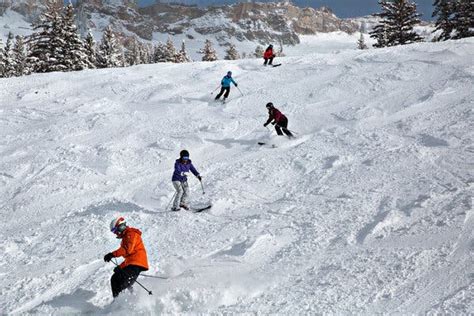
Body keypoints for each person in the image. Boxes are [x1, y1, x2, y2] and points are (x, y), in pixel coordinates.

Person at [103, 216, 149, 298]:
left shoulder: (131, 234)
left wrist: (112, 254)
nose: (115, 233)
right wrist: (120, 267)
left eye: (115, 230)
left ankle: (118, 303)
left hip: (136, 264)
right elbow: (129, 259)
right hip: (134, 264)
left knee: (117, 279)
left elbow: (127, 250)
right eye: (114, 232)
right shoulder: (126, 237)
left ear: (121, 226)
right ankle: (131, 300)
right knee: (120, 280)